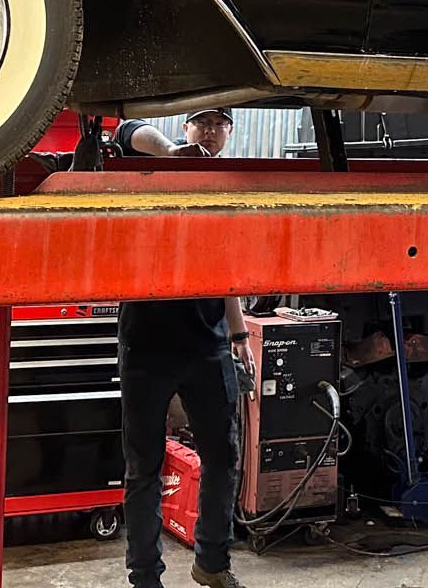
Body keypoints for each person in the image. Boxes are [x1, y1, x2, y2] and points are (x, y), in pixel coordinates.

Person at [114, 107, 250, 588]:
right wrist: (172, 153)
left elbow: (228, 270)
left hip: (207, 343)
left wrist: (238, 336)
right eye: (201, 123)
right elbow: (126, 132)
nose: (209, 131)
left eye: (219, 124)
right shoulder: (160, 167)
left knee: (223, 456)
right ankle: (145, 576)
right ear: (186, 128)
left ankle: (211, 562)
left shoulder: (229, 189)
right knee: (143, 467)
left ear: (229, 133)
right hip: (147, 345)